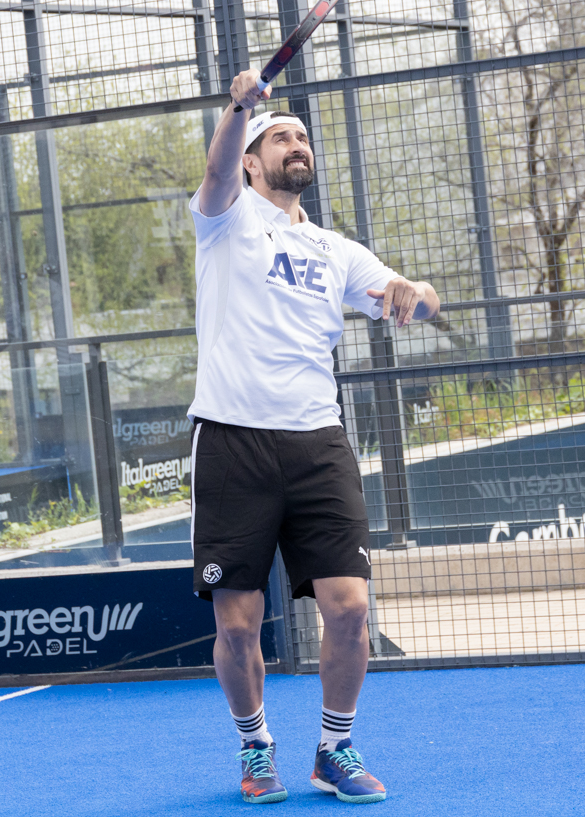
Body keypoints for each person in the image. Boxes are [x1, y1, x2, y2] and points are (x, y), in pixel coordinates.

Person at [187, 67, 439, 805]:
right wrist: (240, 107)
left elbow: (422, 302)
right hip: (232, 439)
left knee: (352, 608)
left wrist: (416, 294)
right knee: (238, 625)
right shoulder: (225, 217)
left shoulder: (337, 251)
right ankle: (255, 743)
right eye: (280, 137)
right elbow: (214, 169)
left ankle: (334, 747)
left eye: (303, 137)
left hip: (317, 442)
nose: (297, 144)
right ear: (251, 160)